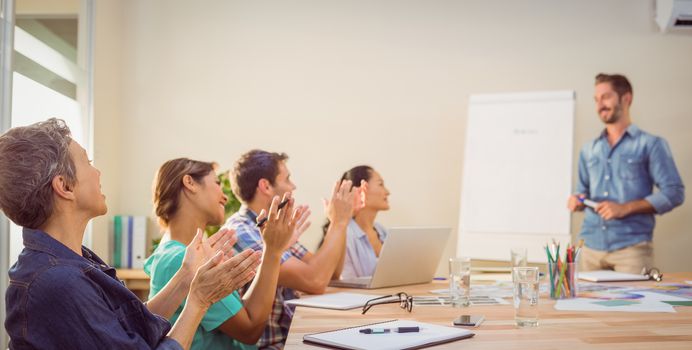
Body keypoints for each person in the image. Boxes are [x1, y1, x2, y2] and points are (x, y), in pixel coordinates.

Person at [0, 118, 262, 350]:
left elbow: (130, 329)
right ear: (65, 186)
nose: (98, 171)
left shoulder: (72, 261)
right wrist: (199, 300)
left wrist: (186, 276)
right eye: (88, 162)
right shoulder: (58, 283)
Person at [146, 158, 308, 349]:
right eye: (216, 183)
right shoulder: (180, 260)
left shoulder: (175, 252)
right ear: (190, 183)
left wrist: (274, 250)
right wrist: (272, 252)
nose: (224, 197)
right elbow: (249, 330)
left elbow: (244, 315)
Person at [223, 150, 361, 349]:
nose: (293, 186)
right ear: (266, 186)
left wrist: (340, 221)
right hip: (277, 344)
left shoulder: (273, 225)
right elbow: (315, 280)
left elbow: (330, 272)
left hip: (296, 333)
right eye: (287, 179)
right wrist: (338, 223)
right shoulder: (241, 231)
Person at [567, 74, 685, 274]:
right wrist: (577, 200)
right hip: (589, 249)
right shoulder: (589, 150)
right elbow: (582, 191)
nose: (600, 105)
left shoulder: (651, 144)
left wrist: (625, 208)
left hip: (632, 250)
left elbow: (674, 192)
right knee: (584, 306)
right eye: (596, 99)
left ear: (626, 98)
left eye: (606, 97)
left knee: (631, 306)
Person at [322, 165, 390, 279]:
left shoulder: (382, 231)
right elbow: (344, 282)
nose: (387, 192)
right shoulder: (346, 233)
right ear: (361, 190)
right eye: (380, 184)